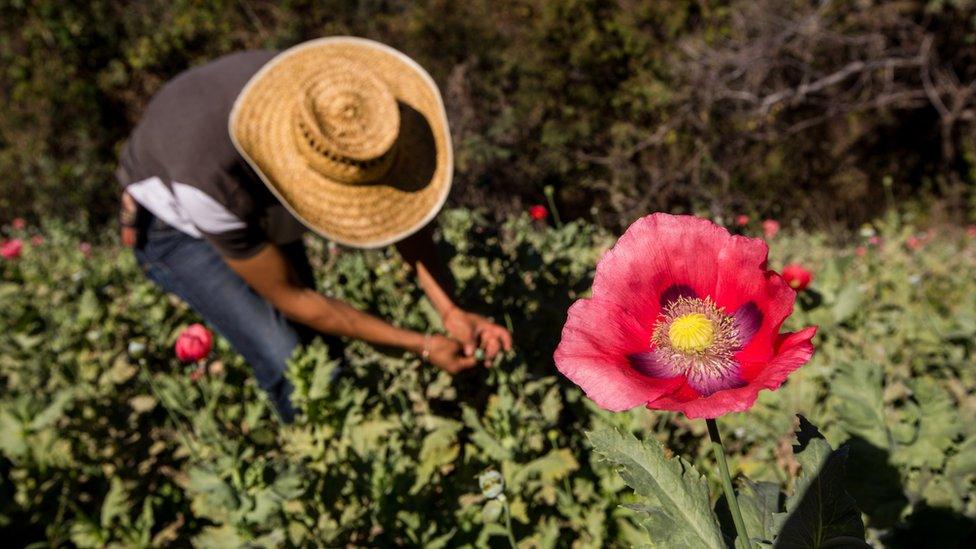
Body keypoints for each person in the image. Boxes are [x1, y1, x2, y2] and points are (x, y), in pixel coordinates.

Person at [116, 37, 512, 422]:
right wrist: (422, 345)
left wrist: (450, 309)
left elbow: (402, 217)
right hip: (176, 226)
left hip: (234, 181)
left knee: (325, 354)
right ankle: (315, 464)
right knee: (289, 359)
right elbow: (294, 297)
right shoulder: (213, 183)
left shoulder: (339, 100)